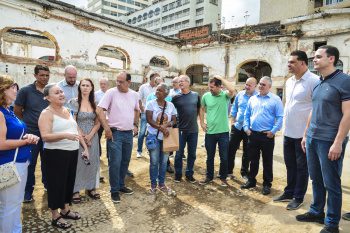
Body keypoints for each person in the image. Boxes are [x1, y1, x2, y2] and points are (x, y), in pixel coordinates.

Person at [296, 45, 350, 233]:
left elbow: (348, 114)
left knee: (331, 183)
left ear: (331, 59)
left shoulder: (344, 81)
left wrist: (338, 142)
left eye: (318, 57)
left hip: (329, 140)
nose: (314, 60)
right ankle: (316, 211)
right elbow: (313, 110)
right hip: (312, 138)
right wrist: (305, 134)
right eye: (314, 57)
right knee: (316, 179)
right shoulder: (319, 82)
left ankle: (332, 224)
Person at [38, 83, 89, 229]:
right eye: (56, 93)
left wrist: (84, 148)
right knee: (56, 185)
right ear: (47, 97)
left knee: (68, 183)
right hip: (55, 155)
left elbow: (77, 130)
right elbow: (45, 136)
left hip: (72, 152)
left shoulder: (67, 110)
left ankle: (65, 210)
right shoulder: (46, 113)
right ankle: (55, 216)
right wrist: (65, 135)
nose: (61, 94)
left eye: (61, 91)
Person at [273, 51, 319, 210]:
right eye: (288, 62)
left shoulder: (314, 81)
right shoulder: (289, 81)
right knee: (290, 165)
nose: (289, 65)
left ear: (303, 63)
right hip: (288, 132)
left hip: (302, 134)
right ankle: (289, 191)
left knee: (302, 167)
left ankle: (298, 197)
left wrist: (307, 133)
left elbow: (316, 108)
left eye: (292, 62)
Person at [0, 75, 39, 233]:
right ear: (2, 90)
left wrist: (26, 136)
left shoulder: (9, 111)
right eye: (12, 87)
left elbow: (13, 134)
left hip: (19, 162)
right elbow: (1, 143)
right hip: (10, 164)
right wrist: (26, 142)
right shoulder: (1, 113)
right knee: (9, 206)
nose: (16, 90)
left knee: (14, 204)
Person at [97, 71, 139, 203]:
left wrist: (135, 124)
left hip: (128, 133)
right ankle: (114, 190)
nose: (118, 84)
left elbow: (137, 110)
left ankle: (121, 185)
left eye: (121, 81)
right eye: (117, 81)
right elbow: (99, 110)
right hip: (115, 133)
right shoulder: (111, 92)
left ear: (128, 82)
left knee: (125, 161)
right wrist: (106, 128)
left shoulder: (134, 95)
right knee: (115, 162)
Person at [241, 76, 284, 195]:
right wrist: (246, 128)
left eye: (263, 84)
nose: (260, 86)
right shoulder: (253, 98)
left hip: (267, 136)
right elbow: (247, 114)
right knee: (253, 160)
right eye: (259, 84)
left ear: (269, 87)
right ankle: (251, 180)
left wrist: (273, 131)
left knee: (267, 161)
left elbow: (280, 117)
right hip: (253, 134)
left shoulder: (275, 99)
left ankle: (266, 184)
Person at [14, 64, 50, 203]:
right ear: (35, 76)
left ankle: (47, 185)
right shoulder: (25, 91)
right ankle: (28, 191)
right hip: (31, 134)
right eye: (41, 75)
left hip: (48, 134)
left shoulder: (50, 91)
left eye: (47, 75)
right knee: (30, 163)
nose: (44, 78)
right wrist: (26, 125)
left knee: (48, 162)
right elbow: (17, 110)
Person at [199, 75, 235, 187]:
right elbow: (201, 109)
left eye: (213, 87)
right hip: (210, 133)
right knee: (210, 156)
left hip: (223, 132)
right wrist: (202, 123)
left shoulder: (225, 95)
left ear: (220, 87)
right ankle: (209, 177)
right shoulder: (206, 96)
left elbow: (232, 90)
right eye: (209, 87)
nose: (210, 89)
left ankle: (223, 177)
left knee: (224, 157)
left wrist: (221, 78)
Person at [70, 79, 101, 203]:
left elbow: (98, 122)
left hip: (93, 136)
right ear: (79, 87)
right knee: (78, 163)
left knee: (92, 161)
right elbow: (73, 121)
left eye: (88, 85)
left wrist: (90, 135)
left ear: (92, 88)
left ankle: (91, 187)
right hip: (78, 135)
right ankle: (75, 190)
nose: (85, 88)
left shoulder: (95, 103)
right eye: (83, 85)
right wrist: (83, 136)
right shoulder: (74, 102)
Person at [146, 83, 177, 194]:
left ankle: (162, 183)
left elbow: (174, 120)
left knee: (164, 162)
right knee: (154, 161)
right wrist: (161, 128)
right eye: (157, 89)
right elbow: (149, 120)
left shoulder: (170, 105)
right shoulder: (150, 104)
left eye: (160, 90)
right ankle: (153, 184)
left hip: (166, 138)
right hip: (153, 136)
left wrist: (167, 125)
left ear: (165, 93)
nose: (157, 91)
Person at [172, 75, 200, 183]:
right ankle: (178, 174)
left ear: (188, 83)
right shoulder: (175, 97)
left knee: (192, 153)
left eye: (182, 81)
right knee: (179, 154)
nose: (180, 83)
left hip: (193, 130)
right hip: (180, 130)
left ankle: (189, 174)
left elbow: (198, 109)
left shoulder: (195, 95)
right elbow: (170, 110)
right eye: (179, 82)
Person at [228, 77, 257, 181]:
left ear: (255, 86)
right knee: (231, 149)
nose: (247, 86)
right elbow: (234, 107)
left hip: (249, 129)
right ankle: (229, 171)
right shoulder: (240, 94)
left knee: (247, 152)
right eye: (246, 84)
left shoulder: (258, 97)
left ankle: (244, 172)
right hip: (237, 127)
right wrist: (232, 121)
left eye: (250, 85)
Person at [137, 73, 158, 158]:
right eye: (156, 78)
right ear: (151, 79)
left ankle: (150, 149)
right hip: (145, 113)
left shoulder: (158, 88)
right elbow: (139, 99)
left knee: (152, 133)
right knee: (142, 132)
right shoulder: (143, 87)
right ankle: (139, 150)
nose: (157, 80)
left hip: (155, 115)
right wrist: (142, 109)